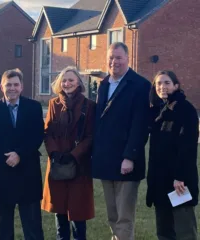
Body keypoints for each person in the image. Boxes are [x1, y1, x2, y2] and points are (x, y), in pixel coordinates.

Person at [91, 42, 151, 240]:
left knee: (124, 217)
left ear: (127, 58)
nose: (114, 62)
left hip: (126, 161)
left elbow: (140, 125)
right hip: (106, 160)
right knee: (112, 215)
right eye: (110, 57)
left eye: (118, 57)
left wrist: (129, 157)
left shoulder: (141, 85)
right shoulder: (104, 84)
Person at [0, 68, 45, 240]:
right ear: (1, 87)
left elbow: (37, 135)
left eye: (15, 84)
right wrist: (7, 155)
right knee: (4, 223)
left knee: (32, 223)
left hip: (27, 170)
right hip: (1, 170)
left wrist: (19, 154)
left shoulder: (34, 108)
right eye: (8, 85)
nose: (12, 88)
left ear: (22, 87)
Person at [41, 67, 95, 240]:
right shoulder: (53, 104)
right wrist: (54, 153)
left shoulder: (89, 105)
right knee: (60, 212)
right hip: (57, 164)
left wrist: (74, 154)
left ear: (79, 82)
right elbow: (47, 132)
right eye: (64, 80)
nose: (67, 83)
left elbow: (90, 135)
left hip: (79, 165)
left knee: (78, 214)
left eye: (71, 80)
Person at [146, 70, 199, 240]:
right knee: (164, 230)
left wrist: (180, 177)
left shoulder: (186, 110)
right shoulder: (157, 111)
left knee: (184, 230)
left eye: (167, 83)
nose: (162, 87)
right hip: (160, 181)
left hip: (179, 182)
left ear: (176, 86)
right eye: (159, 84)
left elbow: (188, 147)